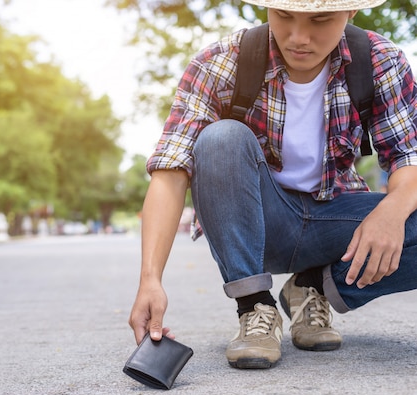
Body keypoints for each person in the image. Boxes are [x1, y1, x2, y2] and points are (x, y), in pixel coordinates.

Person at [129, 0, 417, 369]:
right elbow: (170, 171)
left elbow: (408, 156)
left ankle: (314, 284)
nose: (298, 37)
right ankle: (255, 306)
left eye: (319, 20)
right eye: (283, 16)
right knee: (220, 139)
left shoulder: (381, 60)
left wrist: (392, 212)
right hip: (257, 224)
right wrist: (150, 279)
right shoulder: (220, 61)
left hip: (335, 222)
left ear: (350, 13)